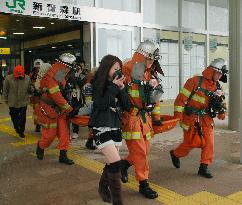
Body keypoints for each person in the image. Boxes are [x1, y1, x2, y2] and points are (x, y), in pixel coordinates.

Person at [170, 58, 228, 178]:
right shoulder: (194, 81)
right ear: (211, 71)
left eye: (221, 74)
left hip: (206, 119)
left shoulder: (218, 87)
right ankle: (175, 154)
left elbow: (221, 103)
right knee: (190, 143)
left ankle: (204, 167)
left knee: (209, 143)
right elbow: (180, 100)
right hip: (191, 118)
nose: (219, 76)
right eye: (218, 73)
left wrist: (222, 112)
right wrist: (178, 117)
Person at [120, 40, 163, 199]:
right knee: (140, 153)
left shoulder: (150, 73)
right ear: (142, 56)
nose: (152, 62)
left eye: (154, 59)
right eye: (150, 58)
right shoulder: (126, 71)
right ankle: (143, 183)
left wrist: (157, 118)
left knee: (145, 150)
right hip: (131, 118)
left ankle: (122, 165)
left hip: (145, 118)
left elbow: (155, 97)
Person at [89, 55, 131, 205]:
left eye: (120, 69)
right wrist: (113, 87)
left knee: (111, 162)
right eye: (115, 69)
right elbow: (101, 104)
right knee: (115, 163)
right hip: (101, 127)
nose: (118, 72)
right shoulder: (97, 84)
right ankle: (118, 201)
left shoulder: (117, 85)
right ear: (107, 69)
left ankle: (102, 187)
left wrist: (122, 89)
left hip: (115, 127)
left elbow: (127, 106)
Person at [35, 53, 78, 165]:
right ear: (66, 65)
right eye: (70, 67)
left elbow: (61, 90)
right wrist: (69, 108)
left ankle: (63, 156)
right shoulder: (52, 75)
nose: (70, 69)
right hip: (49, 109)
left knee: (64, 134)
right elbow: (56, 95)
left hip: (59, 109)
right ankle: (41, 146)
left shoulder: (59, 72)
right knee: (50, 135)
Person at [3, 65, 31, 138]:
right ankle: (16, 126)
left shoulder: (27, 78)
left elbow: (29, 89)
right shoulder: (8, 79)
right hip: (13, 101)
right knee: (14, 116)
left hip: (23, 101)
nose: (18, 76)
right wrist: (5, 99)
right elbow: (5, 90)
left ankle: (21, 131)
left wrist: (32, 90)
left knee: (22, 118)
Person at [29, 59, 44, 132]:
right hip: (35, 96)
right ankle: (37, 125)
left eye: (39, 67)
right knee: (36, 111)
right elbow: (29, 84)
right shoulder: (32, 75)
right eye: (37, 68)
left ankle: (43, 124)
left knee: (44, 111)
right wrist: (33, 89)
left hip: (44, 95)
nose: (38, 69)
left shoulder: (45, 73)